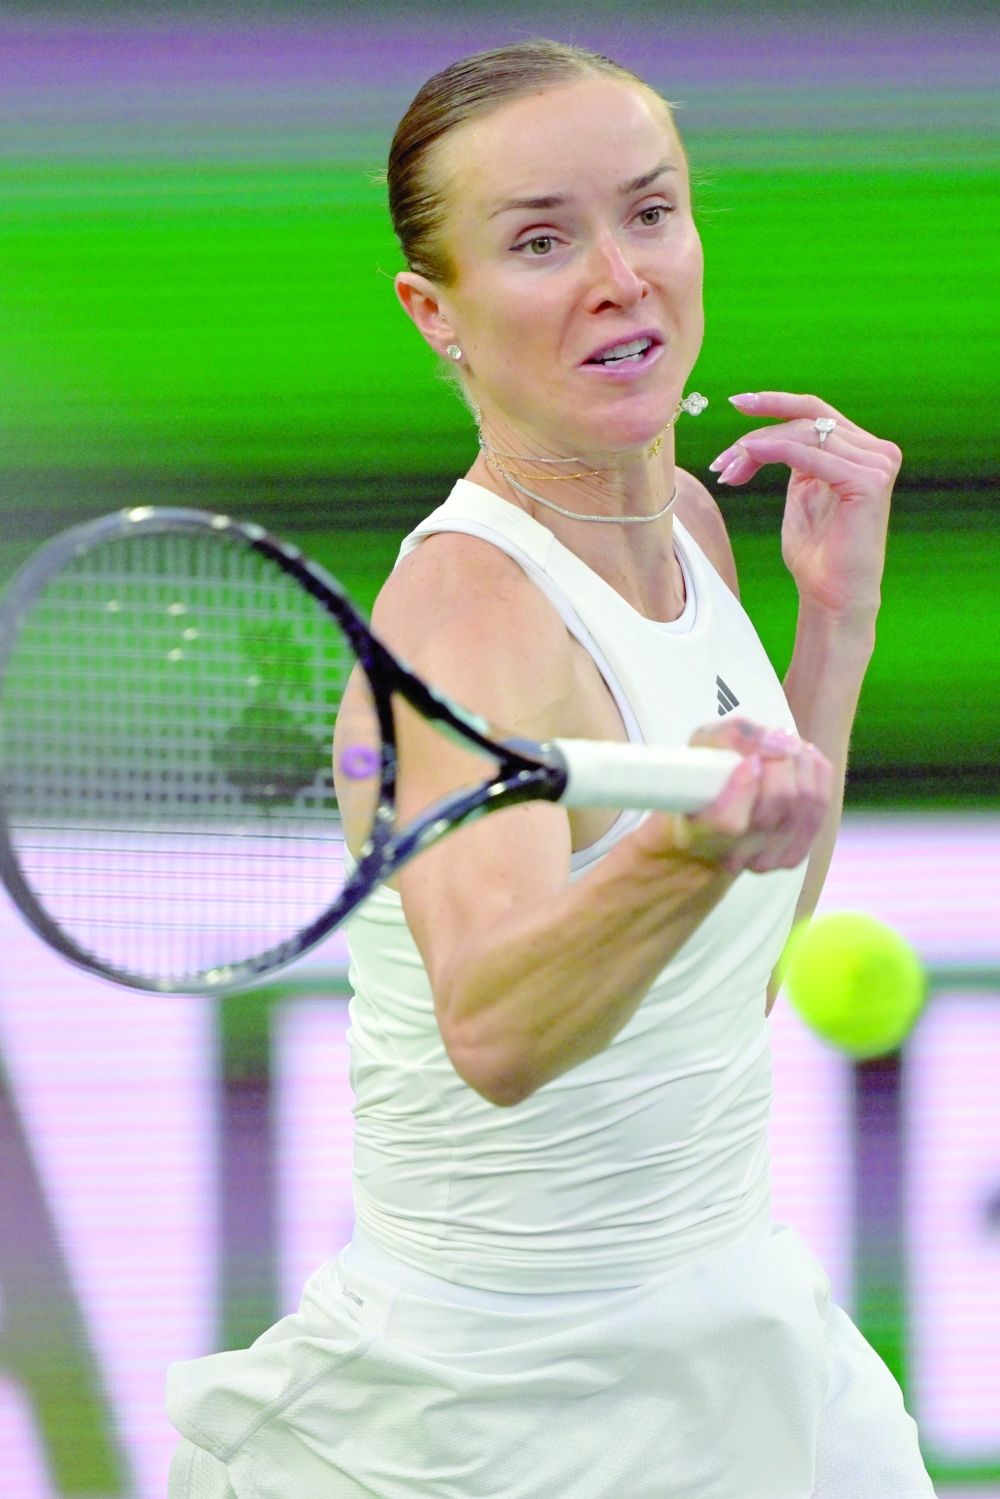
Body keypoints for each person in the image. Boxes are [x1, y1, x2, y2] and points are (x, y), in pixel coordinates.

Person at [167, 40, 932, 1499]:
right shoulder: (467, 616)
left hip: (739, 1325)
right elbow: (500, 1034)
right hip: (500, 1400)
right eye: (540, 240)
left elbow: (739, 964)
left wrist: (833, 629)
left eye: (650, 212)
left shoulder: (699, 533)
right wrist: (683, 849)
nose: (620, 275)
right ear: (434, 314)